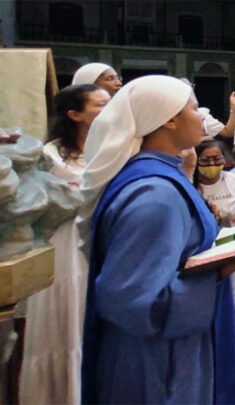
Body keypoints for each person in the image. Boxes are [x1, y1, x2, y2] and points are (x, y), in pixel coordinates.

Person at [78, 75, 235, 404]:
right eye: (195, 109)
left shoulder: (160, 174)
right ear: (168, 120)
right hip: (159, 361)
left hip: (168, 347)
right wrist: (217, 273)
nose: (202, 117)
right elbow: (132, 301)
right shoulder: (155, 194)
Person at [20, 84, 109, 405]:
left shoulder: (110, 147)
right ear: (75, 114)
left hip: (101, 237)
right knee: (67, 314)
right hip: (66, 239)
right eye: (100, 104)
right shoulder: (50, 154)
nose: (108, 108)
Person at [193, 140, 235, 305]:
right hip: (200, 251)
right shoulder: (189, 184)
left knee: (229, 298)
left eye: (217, 159)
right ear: (196, 159)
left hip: (229, 248)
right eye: (205, 160)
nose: (212, 164)